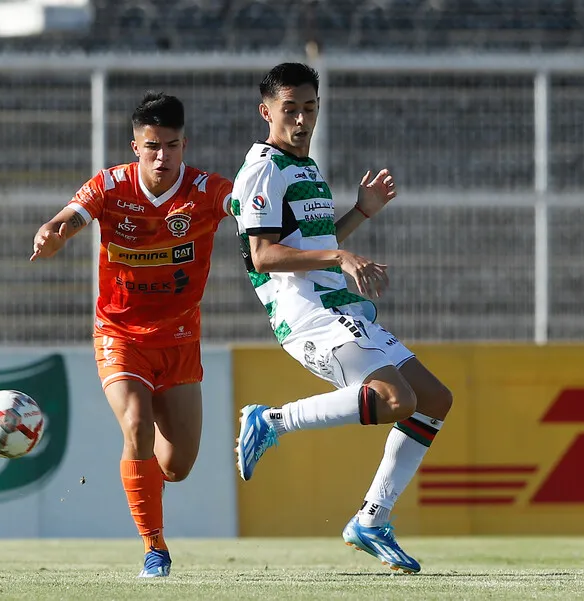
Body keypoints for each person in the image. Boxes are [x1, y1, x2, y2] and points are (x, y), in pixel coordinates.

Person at [231, 63, 453, 574]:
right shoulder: (262, 168)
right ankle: (271, 420)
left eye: (310, 108)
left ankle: (371, 521)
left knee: (435, 400)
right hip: (309, 315)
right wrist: (341, 259)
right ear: (266, 112)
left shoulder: (303, 167)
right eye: (290, 109)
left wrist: (361, 212)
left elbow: (315, 241)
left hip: (339, 307)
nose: (302, 119)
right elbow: (263, 255)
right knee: (397, 400)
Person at [30, 92, 233, 578]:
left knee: (177, 466)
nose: (162, 156)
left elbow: (247, 208)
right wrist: (53, 230)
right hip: (119, 333)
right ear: (135, 145)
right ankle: (154, 549)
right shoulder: (111, 186)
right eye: (152, 146)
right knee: (137, 424)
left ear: (185, 144)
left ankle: (143, 476)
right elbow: (73, 215)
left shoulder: (206, 190)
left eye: (172, 145)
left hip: (180, 339)